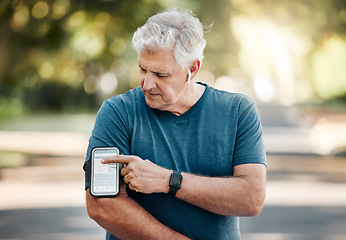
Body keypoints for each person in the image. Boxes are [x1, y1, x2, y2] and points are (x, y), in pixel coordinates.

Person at [84, 7, 266, 240]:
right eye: (142, 69)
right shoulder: (117, 112)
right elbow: (100, 205)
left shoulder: (238, 112)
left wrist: (168, 181)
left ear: (192, 69)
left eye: (160, 75)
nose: (147, 84)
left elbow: (251, 198)